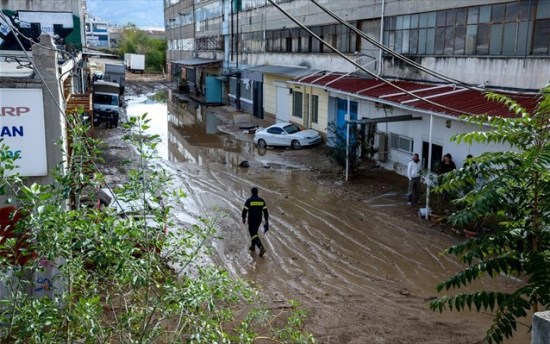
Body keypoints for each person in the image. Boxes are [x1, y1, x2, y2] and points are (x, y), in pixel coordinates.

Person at [242, 187, 269, 257]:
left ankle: (261, 247)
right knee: (255, 232)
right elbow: (265, 212)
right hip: (259, 220)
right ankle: (253, 246)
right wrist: (266, 221)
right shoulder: (261, 201)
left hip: (251, 219)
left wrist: (243, 218)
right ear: (257, 192)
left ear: (251, 192)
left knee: (253, 233)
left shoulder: (249, 200)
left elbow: (245, 210)